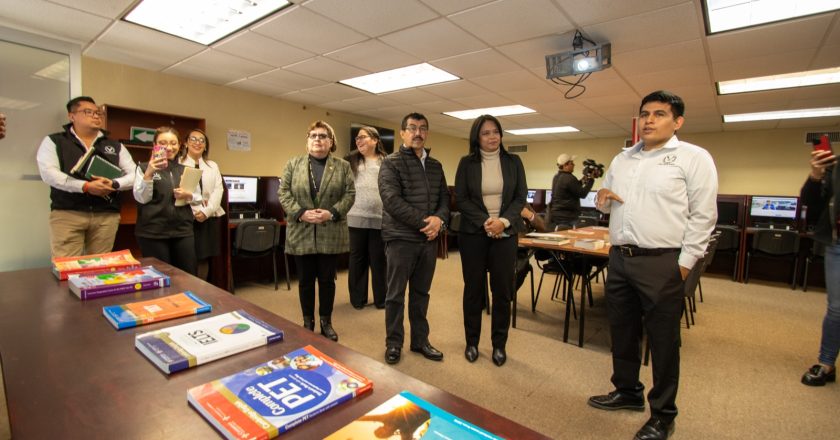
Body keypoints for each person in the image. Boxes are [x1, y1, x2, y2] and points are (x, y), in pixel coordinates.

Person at [589, 91, 718, 440]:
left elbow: (704, 216)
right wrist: (601, 200)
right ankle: (627, 391)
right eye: (645, 113)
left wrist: (686, 263)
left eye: (659, 114)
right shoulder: (622, 159)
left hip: (663, 261)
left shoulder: (693, 158)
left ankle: (663, 414)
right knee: (623, 330)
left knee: (662, 341)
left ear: (677, 122)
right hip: (619, 258)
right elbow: (608, 203)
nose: (648, 120)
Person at [454, 114, 527, 366]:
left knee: (502, 291)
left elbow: (520, 197)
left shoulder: (513, 161)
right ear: (477, 137)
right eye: (485, 133)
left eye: (495, 131)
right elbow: (461, 199)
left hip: (505, 234)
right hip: (474, 234)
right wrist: (487, 221)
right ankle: (472, 342)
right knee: (473, 290)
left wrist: (502, 222)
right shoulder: (467, 163)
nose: (492, 136)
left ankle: (499, 345)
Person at [379, 112, 449, 365]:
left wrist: (439, 221)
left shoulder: (435, 165)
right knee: (395, 295)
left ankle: (420, 341)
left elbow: (444, 200)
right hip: (400, 239)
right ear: (402, 133)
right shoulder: (391, 162)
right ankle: (394, 343)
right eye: (412, 128)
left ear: (427, 133)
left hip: (428, 242)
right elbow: (392, 201)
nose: (418, 133)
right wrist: (426, 223)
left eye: (422, 128)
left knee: (421, 293)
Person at [278, 121, 355, 342]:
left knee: (327, 280)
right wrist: (300, 212)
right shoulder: (293, 164)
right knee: (305, 280)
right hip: (301, 229)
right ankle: (307, 322)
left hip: (329, 229)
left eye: (323, 136)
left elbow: (349, 194)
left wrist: (331, 213)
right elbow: (283, 193)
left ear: (331, 142)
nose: (317, 139)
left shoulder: (342, 166)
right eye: (313, 135)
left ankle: (326, 322)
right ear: (307, 141)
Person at [36, 96, 135, 257]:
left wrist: (114, 184)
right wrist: (85, 187)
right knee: (67, 267)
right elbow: (49, 174)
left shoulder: (115, 145)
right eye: (88, 112)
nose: (96, 116)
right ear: (71, 116)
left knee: (100, 267)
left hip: (106, 216)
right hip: (68, 213)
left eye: (98, 113)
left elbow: (134, 175)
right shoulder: (55, 141)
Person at [133, 126, 201, 275]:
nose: (169, 147)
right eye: (163, 143)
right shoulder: (143, 167)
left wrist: (187, 195)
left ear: (180, 146)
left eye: (173, 143)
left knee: (188, 274)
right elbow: (141, 198)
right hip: (153, 232)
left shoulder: (185, 169)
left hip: (183, 230)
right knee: (160, 276)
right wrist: (149, 174)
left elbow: (198, 198)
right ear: (154, 145)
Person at [799, 147, 839, 386]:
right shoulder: (835, 168)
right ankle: (826, 363)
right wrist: (816, 175)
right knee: (836, 309)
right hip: (837, 242)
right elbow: (811, 205)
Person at [345, 126, 388, 310]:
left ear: (375, 140)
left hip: (380, 219)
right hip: (356, 217)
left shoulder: (387, 162)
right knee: (357, 260)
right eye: (357, 138)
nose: (359, 141)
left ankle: (381, 300)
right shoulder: (350, 161)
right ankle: (357, 299)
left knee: (379, 261)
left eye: (363, 137)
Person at [179, 129, 225, 281]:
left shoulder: (212, 166)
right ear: (185, 143)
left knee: (203, 258)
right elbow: (178, 191)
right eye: (193, 139)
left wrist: (207, 211)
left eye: (202, 140)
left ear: (206, 146)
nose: (197, 143)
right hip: (185, 217)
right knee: (185, 257)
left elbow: (218, 190)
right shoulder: (178, 163)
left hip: (208, 217)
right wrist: (195, 211)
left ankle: (200, 292)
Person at [548, 153, 594, 230]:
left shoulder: (557, 177)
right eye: (571, 163)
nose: (574, 165)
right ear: (565, 165)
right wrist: (591, 180)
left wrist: (584, 179)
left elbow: (573, 188)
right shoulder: (569, 178)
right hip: (567, 217)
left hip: (557, 215)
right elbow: (582, 194)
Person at [515, 204, 547, 292]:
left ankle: (506, 296)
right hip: (499, 248)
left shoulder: (524, 204)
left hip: (519, 251)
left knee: (522, 266)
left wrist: (530, 215)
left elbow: (543, 228)